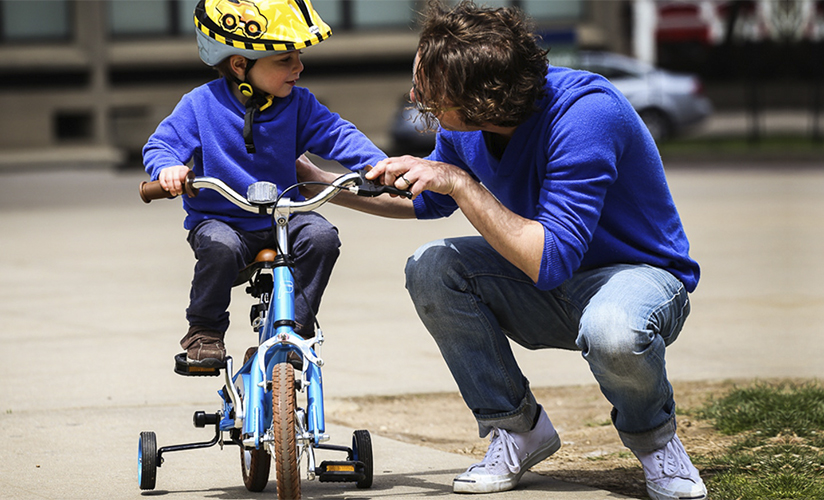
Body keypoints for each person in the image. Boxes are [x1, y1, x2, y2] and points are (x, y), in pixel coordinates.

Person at [296, 1, 707, 499]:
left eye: (430, 91)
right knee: (433, 266)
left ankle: (656, 443)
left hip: (637, 278)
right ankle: (517, 428)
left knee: (614, 332)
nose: (414, 95)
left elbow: (550, 259)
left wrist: (460, 185)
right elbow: (425, 201)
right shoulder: (466, 127)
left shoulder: (587, 114)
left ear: (483, 101)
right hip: (548, 287)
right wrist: (323, 183)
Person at [144, 0, 386, 368]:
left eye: (299, 57)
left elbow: (338, 135)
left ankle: (294, 331)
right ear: (241, 64)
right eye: (285, 60)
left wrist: (378, 165)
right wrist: (168, 170)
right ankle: (204, 330)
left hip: (283, 219)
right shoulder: (200, 105)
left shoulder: (299, 105)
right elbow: (162, 145)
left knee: (322, 237)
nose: (299, 67)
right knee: (220, 248)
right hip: (223, 222)